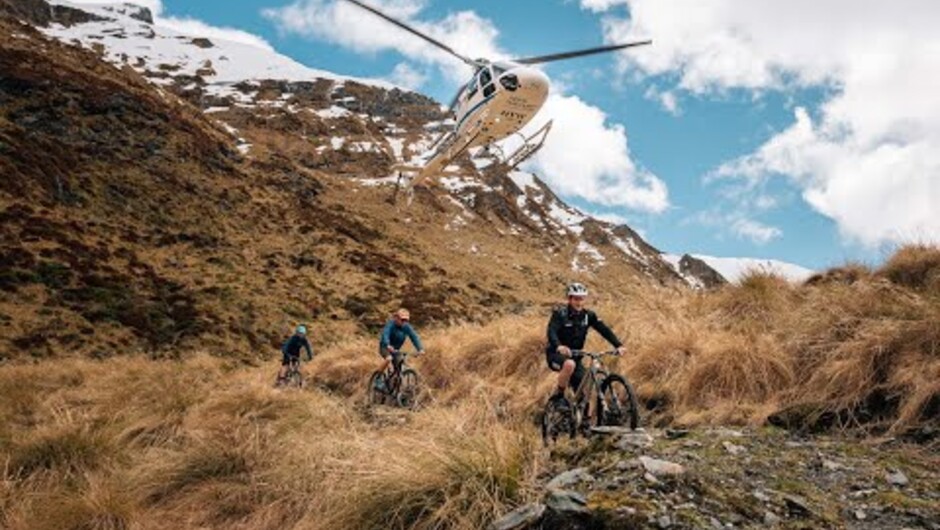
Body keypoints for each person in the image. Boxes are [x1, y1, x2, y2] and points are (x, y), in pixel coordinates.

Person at [546, 282, 626, 402]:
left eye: (582, 299)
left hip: (576, 356)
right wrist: (559, 346)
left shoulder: (588, 315)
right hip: (556, 355)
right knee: (569, 364)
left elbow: (604, 330)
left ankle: (584, 417)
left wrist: (618, 345)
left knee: (586, 390)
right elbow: (551, 331)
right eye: (576, 299)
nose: (579, 302)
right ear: (570, 299)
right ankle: (559, 396)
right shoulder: (560, 314)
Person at [376, 308, 425, 385]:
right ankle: (378, 378)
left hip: (395, 350)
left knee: (400, 367)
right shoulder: (390, 325)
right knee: (389, 358)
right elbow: (385, 334)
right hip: (385, 347)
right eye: (402, 320)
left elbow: (414, 337)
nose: (404, 322)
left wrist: (420, 349)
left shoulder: (406, 327)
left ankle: (393, 387)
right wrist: (388, 344)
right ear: (396, 318)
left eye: (406, 320)